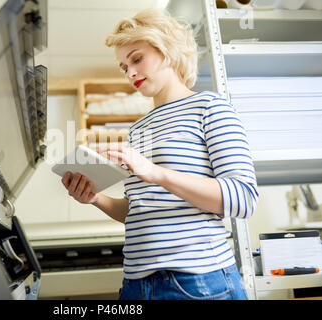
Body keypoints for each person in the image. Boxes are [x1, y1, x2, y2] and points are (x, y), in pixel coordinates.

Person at [60, 8, 258, 300]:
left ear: (167, 50)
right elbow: (138, 210)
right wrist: (96, 199)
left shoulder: (210, 107)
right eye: (123, 67)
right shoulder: (138, 129)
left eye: (137, 59)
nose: (130, 73)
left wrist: (156, 172)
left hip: (197, 282)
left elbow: (244, 199)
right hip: (136, 284)